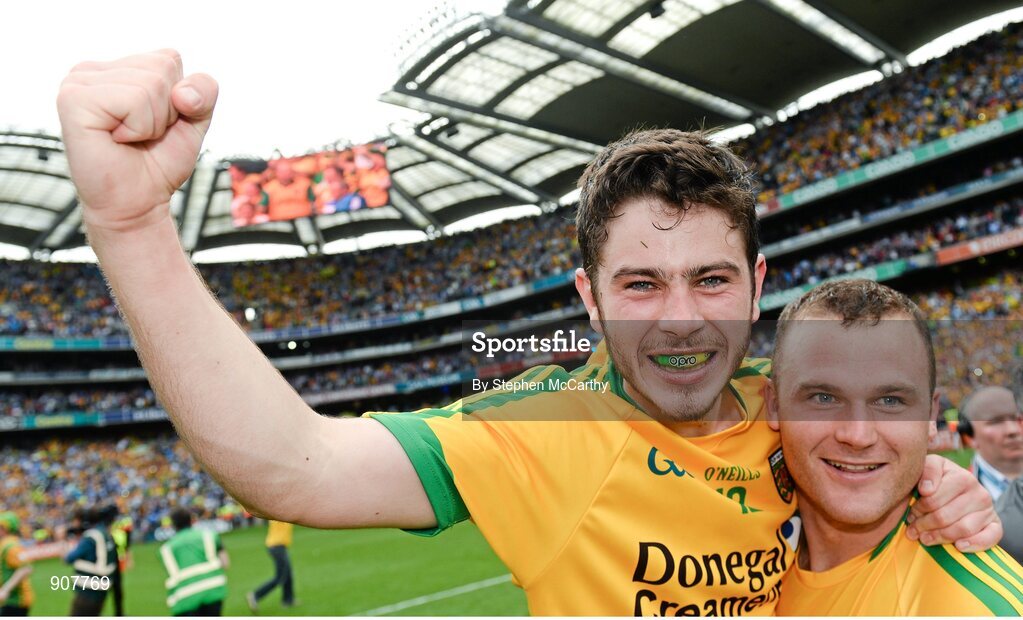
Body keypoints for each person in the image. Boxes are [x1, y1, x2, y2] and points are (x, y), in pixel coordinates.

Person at [56, 50, 1000, 615]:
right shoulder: (542, 429)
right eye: (639, 283)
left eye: (709, 279)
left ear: (755, 287)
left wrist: (941, 489)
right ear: (587, 302)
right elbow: (289, 462)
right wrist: (131, 230)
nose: (678, 317)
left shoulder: (795, 411)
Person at [767, 279, 1023, 615]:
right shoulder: (742, 546)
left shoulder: (980, 608)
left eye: (890, 400)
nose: (858, 435)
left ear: (931, 417)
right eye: (823, 397)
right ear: (772, 406)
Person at [159, 508, 229, 616]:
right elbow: (225, 563)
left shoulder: (165, 549)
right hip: (213, 590)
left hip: (184, 597)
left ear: (173, 524)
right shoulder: (209, 536)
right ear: (191, 520)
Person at [959, 386, 1023, 500]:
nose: (1013, 430)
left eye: (1017, 419)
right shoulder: (957, 496)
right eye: (996, 422)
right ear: (969, 437)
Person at [64, 505, 120, 616]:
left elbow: (69, 558)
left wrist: (65, 546)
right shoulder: (104, 533)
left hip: (88, 590)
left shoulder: (90, 537)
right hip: (102, 587)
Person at [246, 521, 295, 612]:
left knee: (288, 574)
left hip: (279, 546)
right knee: (279, 578)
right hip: (277, 547)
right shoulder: (280, 512)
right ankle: (255, 595)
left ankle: (288, 600)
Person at [0, 512, 33, 616]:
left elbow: (26, 568)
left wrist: (5, 589)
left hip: (16, 600)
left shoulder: (11, 546)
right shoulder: (6, 544)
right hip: (9, 600)